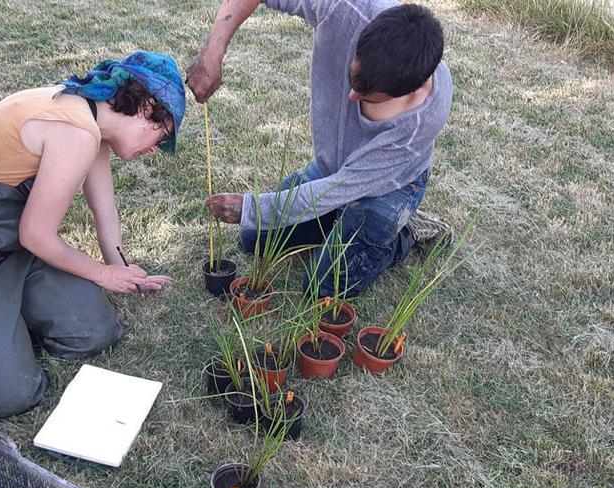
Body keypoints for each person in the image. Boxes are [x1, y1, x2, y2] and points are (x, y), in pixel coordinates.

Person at [0, 51, 185, 419]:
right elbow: (36, 235)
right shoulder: (75, 129)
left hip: (9, 248)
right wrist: (103, 275)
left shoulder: (91, 123)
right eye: (163, 134)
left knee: (96, 331)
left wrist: (121, 266)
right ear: (145, 108)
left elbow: (104, 209)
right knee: (10, 394)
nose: (156, 148)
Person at [189, 0, 453, 297]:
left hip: (388, 187)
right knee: (254, 238)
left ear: (408, 90)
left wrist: (252, 207)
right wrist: (213, 52)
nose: (352, 96)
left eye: (368, 96)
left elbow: (341, 187)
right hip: (334, 170)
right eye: (354, 80)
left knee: (322, 287)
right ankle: (341, 222)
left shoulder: (419, 123)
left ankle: (402, 234)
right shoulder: (347, 9)